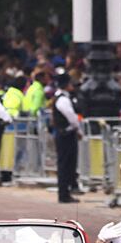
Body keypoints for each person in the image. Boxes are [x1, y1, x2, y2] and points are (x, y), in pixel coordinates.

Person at [50, 73, 83, 204]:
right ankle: (64, 194)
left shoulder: (61, 97)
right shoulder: (63, 99)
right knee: (65, 165)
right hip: (66, 135)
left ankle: (66, 193)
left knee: (67, 164)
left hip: (64, 134)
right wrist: (79, 131)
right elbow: (72, 118)